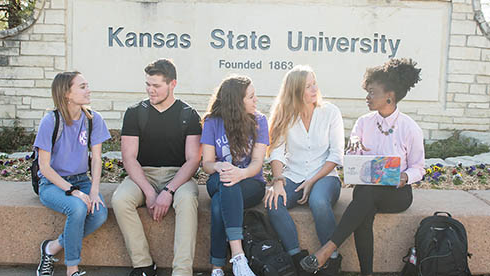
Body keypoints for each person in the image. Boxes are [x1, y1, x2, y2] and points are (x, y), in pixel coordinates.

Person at [300, 58, 425, 276]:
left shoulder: (410, 128)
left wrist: (404, 176)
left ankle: (327, 250)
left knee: (365, 200)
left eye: (372, 93)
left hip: (396, 193)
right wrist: (354, 149)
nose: (367, 97)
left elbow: (419, 168)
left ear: (390, 96)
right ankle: (362, 271)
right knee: (365, 203)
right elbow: (353, 163)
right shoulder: (364, 122)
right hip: (366, 190)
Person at [111, 59, 202, 276]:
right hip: (143, 175)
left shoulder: (188, 115)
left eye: (157, 86)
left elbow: (192, 160)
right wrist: (150, 192)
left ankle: (182, 271)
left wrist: (169, 191)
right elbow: (129, 157)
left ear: (173, 84)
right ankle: (143, 265)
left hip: (178, 177)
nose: (151, 90)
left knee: (188, 200)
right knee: (120, 199)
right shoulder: (135, 113)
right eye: (148, 85)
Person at [264, 65, 345, 276]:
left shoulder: (331, 112)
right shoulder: (285, 116)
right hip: (293, 176)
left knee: (318, 201)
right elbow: (277, 153)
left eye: (314, 83)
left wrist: (311, 181)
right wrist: (278, 182)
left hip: (325, 177)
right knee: (273, 203)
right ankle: (296, 258)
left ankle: (332, 259)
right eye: (308, 86)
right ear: (296, 91)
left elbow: (336, 155)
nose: (314, 89)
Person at [35, 71, 111, 276]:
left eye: (87, 85)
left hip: (81, 180)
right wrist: (72, 191)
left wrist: (94, 190)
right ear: (67, 94)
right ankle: (72, 269)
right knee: (77, 208)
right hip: (52, 184)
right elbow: (45, 168)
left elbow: (96, 159)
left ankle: (51, 248)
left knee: (100, 213)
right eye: (82, 86)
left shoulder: (93, 119)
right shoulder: (50, 121)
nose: (89, 90)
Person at [201, 75, 269, 276]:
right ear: (237, 102)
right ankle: (239, 257)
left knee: (218, 203)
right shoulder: (212, 122)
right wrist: (220, 166)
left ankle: (217, 267)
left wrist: (241, 173)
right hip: (218, 178)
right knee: (227, 180)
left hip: (251, 182)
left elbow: (257, 163)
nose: (256, 100)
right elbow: (206, 164)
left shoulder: (259, 121)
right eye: (251, 97)